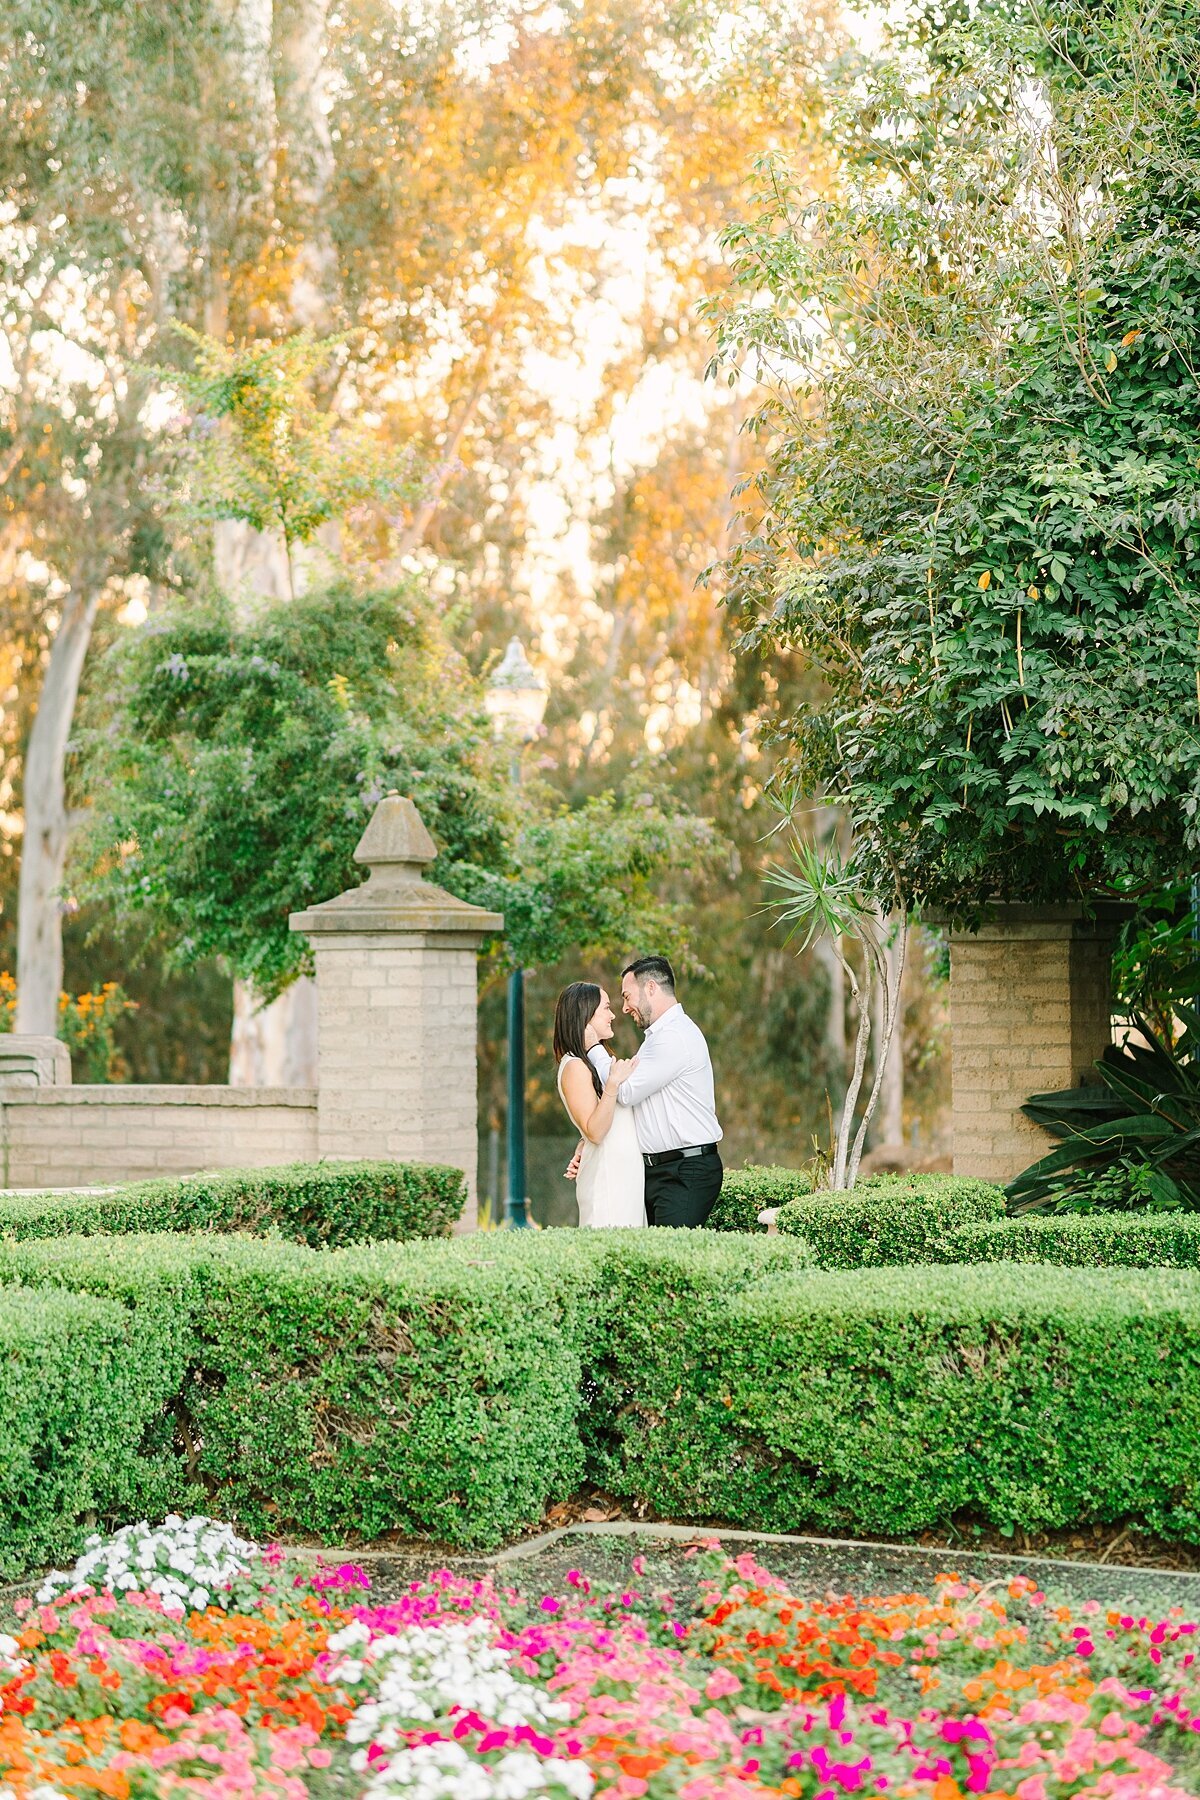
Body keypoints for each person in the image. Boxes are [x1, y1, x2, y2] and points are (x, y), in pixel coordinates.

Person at [571, 955, 723, 1228]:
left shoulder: (674, 1037)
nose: (625, 1008)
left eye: (627, 997)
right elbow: (635, 1106)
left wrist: (594, 1048)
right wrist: (591, 1143)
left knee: (669, 1263)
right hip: (662, 1171)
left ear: (651, 988)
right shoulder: (657, 1038)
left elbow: (625, 1090)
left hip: (685, 1171)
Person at [552, 981, 646, 1228]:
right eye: (606, 1008)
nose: (613, 1014)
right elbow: (595, 1130)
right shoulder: (574, 1066)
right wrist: (613, 1085)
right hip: (607, 1180)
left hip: (624, 1178)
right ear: (586, 1013)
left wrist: (582, 1143)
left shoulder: (592, 1064)